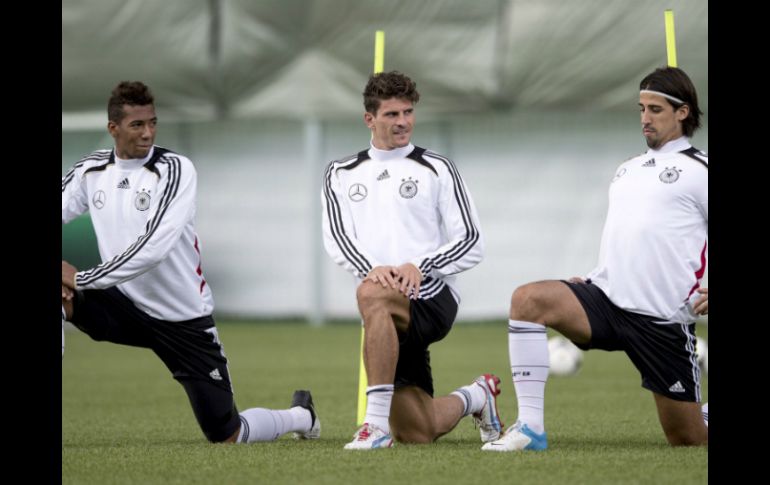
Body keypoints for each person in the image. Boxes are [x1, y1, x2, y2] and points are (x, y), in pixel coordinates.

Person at [61, 81, 320, 444]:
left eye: (153, 122)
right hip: (122, 304)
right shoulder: (91, 170)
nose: (148, 132)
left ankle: (301, 416)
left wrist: (82, 278)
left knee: (227, 434)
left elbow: (153, 248)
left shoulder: (175, 170)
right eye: (137, 125)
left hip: (181, 317)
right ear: (113, 128)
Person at [482, 66, 708, 452]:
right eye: (641, 108)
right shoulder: (627, 169)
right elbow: (624, 237)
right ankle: (530, 429)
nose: (645, 118)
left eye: (655, 109)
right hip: (607, 302)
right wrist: (594, 277)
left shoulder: (700, 169)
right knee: (528, 300)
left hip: (663, 321)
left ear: (682, 112)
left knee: (688, 440)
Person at [322, 71, 502, 449]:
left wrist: (419, 265)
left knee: (371, 293)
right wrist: (374, 269)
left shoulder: (437, 168)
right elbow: (338, 238)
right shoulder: (340, 173)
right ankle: (477, 396)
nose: (403, 121)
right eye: (392, 114)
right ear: (369, 119)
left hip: (430, 298)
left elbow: (472, 241)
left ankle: (374, 427)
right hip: (383, 315)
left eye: (408, 112)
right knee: (418, 431)